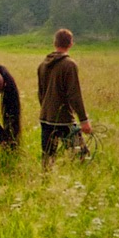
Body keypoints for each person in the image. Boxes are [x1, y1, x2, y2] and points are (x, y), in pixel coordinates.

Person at [37, 28, 92, 168]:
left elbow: (41, 94)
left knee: (47, 160)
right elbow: (74, 95)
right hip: (64, 119)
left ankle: (46, 185)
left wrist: (46, 110)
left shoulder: (43, 65)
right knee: (82, 156)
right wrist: (84, 120)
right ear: (71, 44)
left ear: (54, 43)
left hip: (45, 118)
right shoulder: (69, 65)